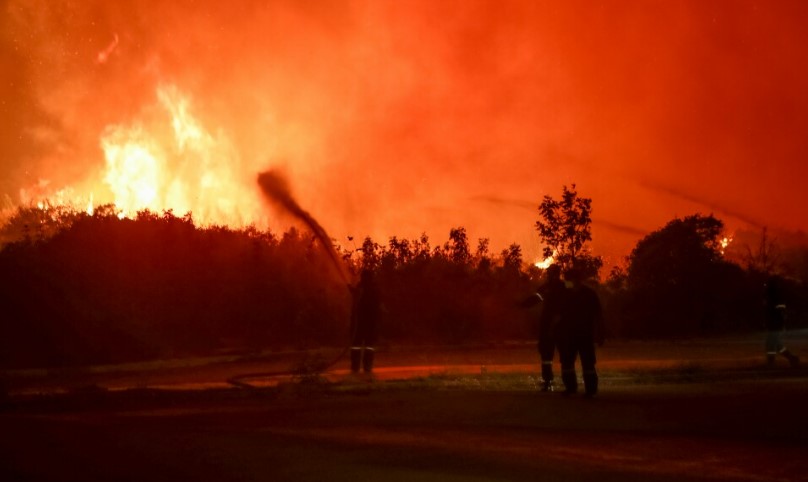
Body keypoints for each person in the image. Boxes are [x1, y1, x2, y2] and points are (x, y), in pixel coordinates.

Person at [556, 267, 605, 397]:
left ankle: (590, 390)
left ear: (576, 280)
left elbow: (598, 315)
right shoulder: (564, 294)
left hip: (584, 334)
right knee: (567, 362)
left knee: (588, 362)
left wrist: (600, 333)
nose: (565, 282)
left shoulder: (589, 294)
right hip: (568, 334)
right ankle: (570, 387)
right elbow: (558, 315)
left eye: (567, 279)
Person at [520, 264, 566, 391]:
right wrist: (522, 305)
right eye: (550, 273)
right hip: (549, 324)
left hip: (561, 324)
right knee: (546, 354)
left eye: (551, 273)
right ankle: (548, 381)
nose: (550, 275)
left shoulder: (564, 286)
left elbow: (579, 291)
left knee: (565, 354)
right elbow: (535, 299)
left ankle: (568, 383)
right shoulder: (547, 287)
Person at [350, 268, 382, 374]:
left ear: (369, 277)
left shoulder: (373, 289)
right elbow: (357, 301)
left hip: (369, 322)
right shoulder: (361, 286)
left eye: (364, 277)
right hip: (360, 322)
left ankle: (366, 366)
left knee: (368, 346)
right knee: (357, 346)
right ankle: (356, 367)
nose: (362, 278)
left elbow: (371, 303)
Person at [763, 276, 800, 367]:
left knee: (771, 344)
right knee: (776, 344)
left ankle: (771, 362)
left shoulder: (774, 297)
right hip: (774, 324)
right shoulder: (773, 297)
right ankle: (792, 358)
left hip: (775, 324)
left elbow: (778, 310)